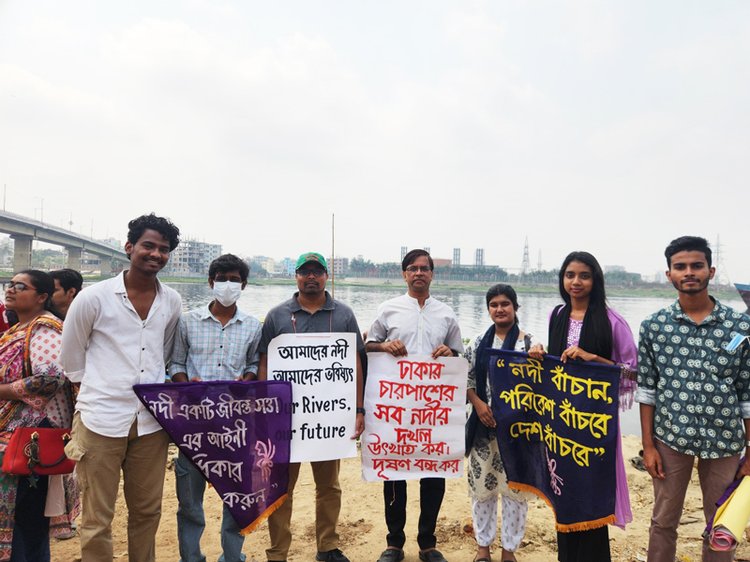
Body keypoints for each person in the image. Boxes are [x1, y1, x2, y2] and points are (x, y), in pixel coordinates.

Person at [60, 213, 182, 562]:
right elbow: (72, 359)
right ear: (129, 247)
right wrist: (99, 392)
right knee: (98, 517)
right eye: (148, 245)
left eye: (163, 249)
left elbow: (167, 352)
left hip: (151, 423)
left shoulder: (171, 301)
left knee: (147, 512)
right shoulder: (94, 298)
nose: (156, 254)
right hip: (100, 419)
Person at [637, 236, 750, 562]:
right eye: (681, 266)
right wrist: (648, 445)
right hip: (670, 438)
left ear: (710, 271)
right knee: (663, 521)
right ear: (670, 274)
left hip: (725, 440)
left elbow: (746, 392)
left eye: (696, 265)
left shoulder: (740, 326)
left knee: (721, 525)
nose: (689, 272)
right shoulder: (654, 326)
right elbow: (647, 389)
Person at [529, 251, 636, 562]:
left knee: (592, 493)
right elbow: (554, 366)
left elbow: (633, 372)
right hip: (562, 422)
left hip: (595, 425)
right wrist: (539, 353)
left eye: (584, 276)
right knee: (565, 493)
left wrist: (596, 359)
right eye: (570, 275)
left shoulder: (612, 321)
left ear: (595, 280)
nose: (576, 282)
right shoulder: (557, 315)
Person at [257, 252, 365, 562]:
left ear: (326, 276)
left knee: (329, 486)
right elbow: (266, 360)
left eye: (317, 271)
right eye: (305, 272)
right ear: (297, 276)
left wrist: (358, 409)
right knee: (280, 488)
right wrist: (266, 407)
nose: (311, 277)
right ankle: (278, 551)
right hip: (285, 420)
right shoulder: (277, 315)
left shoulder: (343, 314)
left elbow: (354, 362)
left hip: (329, 419)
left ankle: (327, 546)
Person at [365, 249, 464, 562]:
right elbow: (366, 346)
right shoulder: (388, 309)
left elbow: (461, 358)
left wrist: (449, 353)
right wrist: (383, 345)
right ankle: (394, 542)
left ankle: (427, 543)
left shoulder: (446, 313)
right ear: (404, 274)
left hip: (433, 413)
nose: (419, 273)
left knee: (433, 474)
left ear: (432, 274)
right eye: (413, 268)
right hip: (395, 410)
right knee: (393, 473)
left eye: (425, 268)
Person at [168, 253, 262, 562]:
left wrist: (246, 380)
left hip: (234, 424)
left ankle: (232, 558)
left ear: (244, 285)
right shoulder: (187, 320)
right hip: (194, 423)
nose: (227, 285)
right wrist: (185, 386)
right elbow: (176, 362)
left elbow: (252, 363)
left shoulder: (252, 325)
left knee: (235, 497)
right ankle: (191, 557)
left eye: (234, 280)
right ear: (211, 282)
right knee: (190, 501)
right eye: (222, 279)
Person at [0, 270, 79, 560]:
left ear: (42, 297)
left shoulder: (44, 329)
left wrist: (3, 391)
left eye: (20, 286)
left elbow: (50, 378)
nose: (11, 290)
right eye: (10, 284)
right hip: (17, 435)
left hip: (32, 440)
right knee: (24, 520)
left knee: (26, 519)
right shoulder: (17, 330)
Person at [465, 284, 536, 562]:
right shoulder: (478, 343)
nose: (499, 309)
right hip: (483, 429)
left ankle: (509, 551)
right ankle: (483, 549)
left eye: (505, 304)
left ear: (515, 307)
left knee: (514, 494)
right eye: (493, 304)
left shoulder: (529, 344)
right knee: (482, 491)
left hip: (518, 431)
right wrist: (479, 404)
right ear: (488, 309)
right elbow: (467, 379)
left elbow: (541, 386)